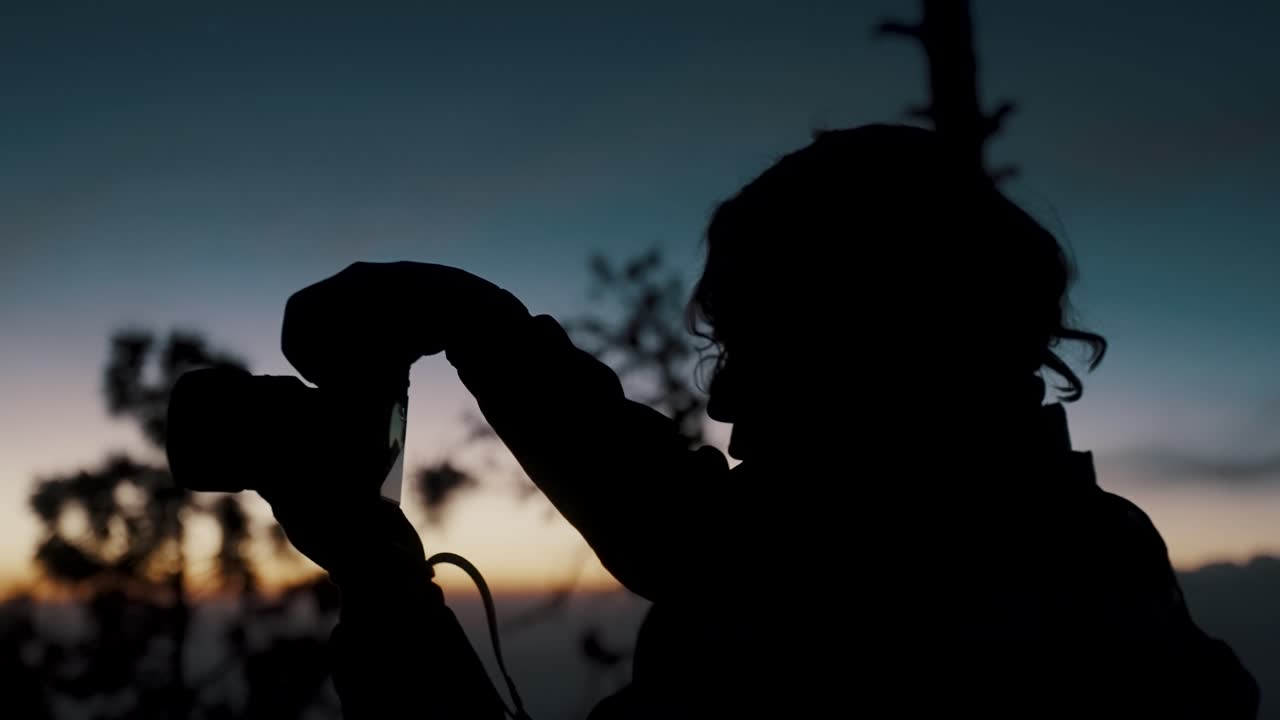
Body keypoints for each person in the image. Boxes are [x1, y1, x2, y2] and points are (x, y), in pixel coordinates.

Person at [266, 124, 1259, 718]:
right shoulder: (1062, 550)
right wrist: (474, 325)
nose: (723, 401)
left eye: (757, 350)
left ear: (882, 356)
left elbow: (727, 556)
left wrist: (383, 588)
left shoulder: (925, 614)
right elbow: (697, 534)